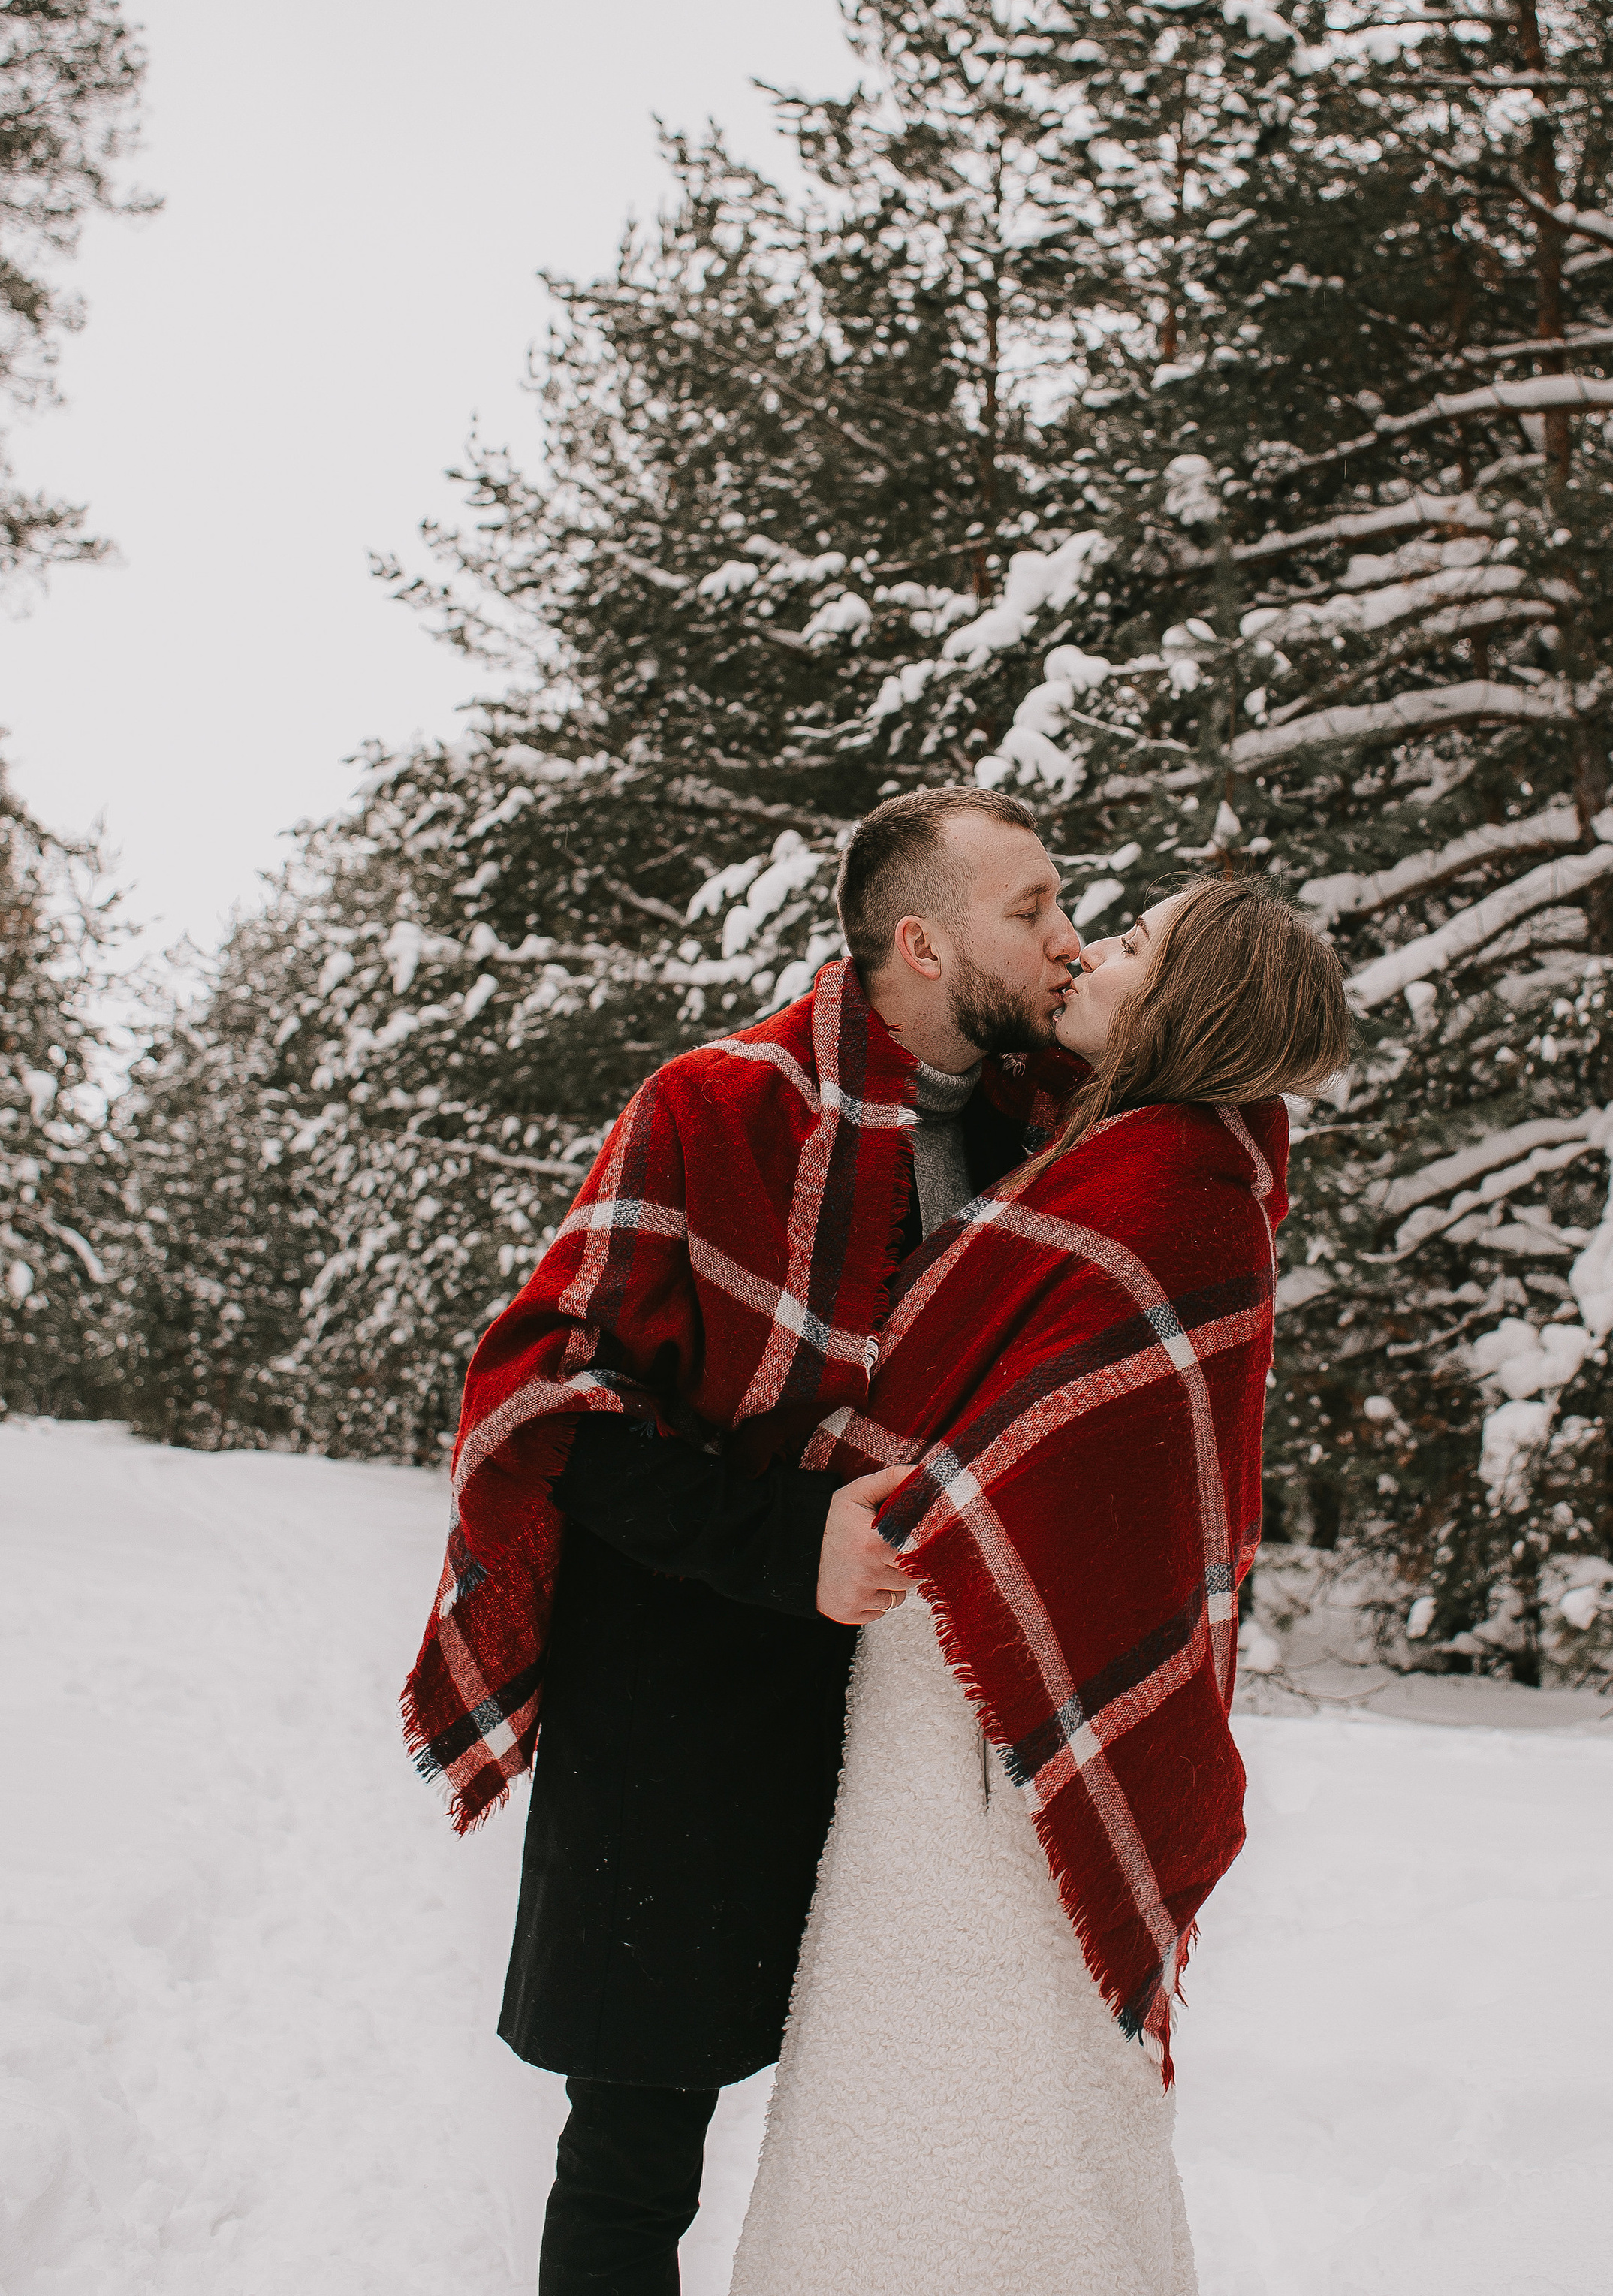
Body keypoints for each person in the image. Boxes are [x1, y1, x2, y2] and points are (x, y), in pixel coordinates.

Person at [399, 787, 1084, 2296]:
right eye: (1031, 907)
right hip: (685, 1701)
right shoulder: (715, 1109)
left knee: (911, 2133)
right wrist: (789, 1544)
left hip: (915, 1715)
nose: (1067, 939)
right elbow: (552, 1409)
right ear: (923, 942)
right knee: (637, 2155)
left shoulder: (1049, 1130)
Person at [727, 872, 1350, 2296]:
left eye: (1131, 943)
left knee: (990, 2054)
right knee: (906, 2050)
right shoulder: (1118, 1150)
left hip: (1005, 1692)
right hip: (956, 1675)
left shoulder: (1172, 1190)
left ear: (1186, 1004)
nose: (1088, 953)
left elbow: (1042, 1459)